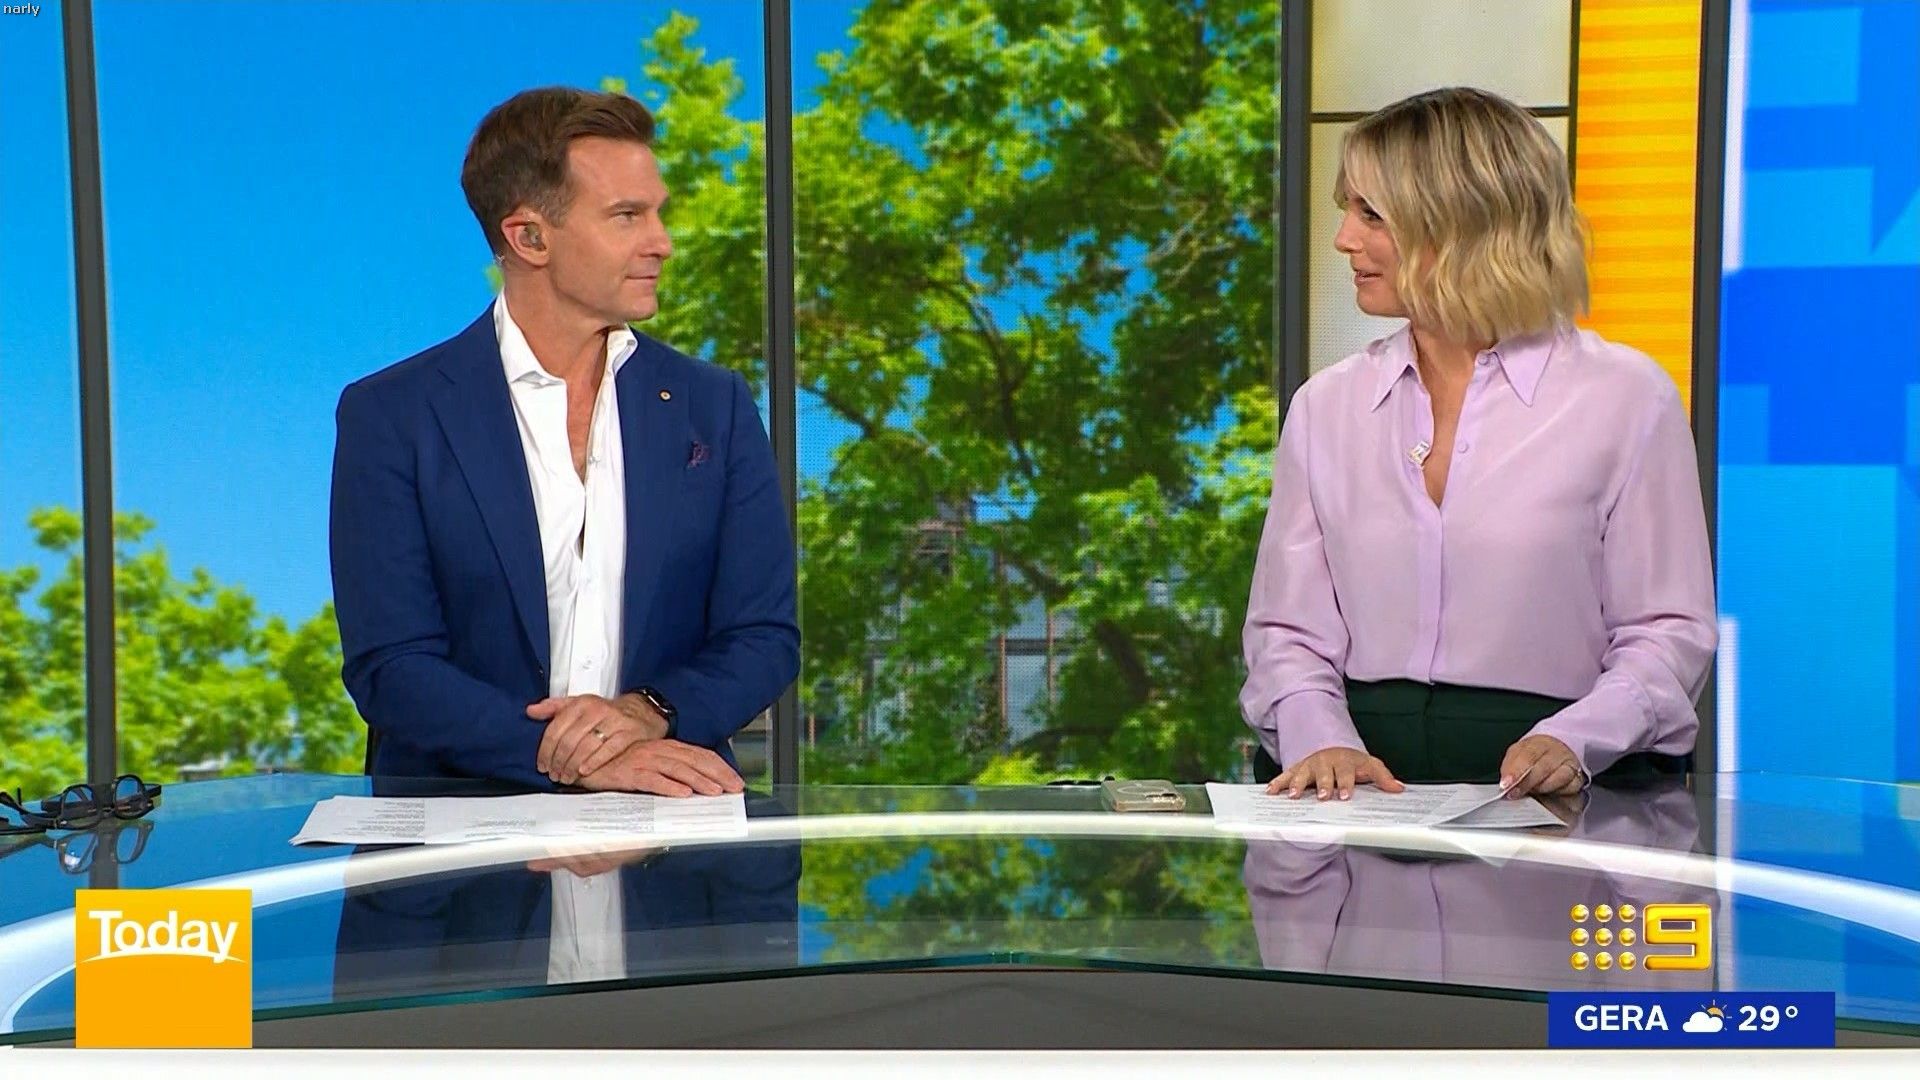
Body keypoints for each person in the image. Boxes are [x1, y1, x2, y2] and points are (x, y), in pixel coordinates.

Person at [1239, 87, 1716, 804]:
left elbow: (1667, 633)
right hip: (1363, 791)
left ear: (1462, 222)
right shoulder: (1326, 406)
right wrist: (1321, 741)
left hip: (1562, 795)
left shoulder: (1625, 398)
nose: (1343, 239)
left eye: (1372, 214)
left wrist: (1575, 739)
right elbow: (1287, 632)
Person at [329, 87, 797, 796]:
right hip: (464, 839)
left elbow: (764, 636)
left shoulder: (715, 406)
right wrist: (574, 756)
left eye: (658, 212)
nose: (662, 241)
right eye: (627, 216)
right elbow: (392, 666)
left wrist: (648, 714)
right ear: (529, 238)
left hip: (673, 821)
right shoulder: (391, 415)